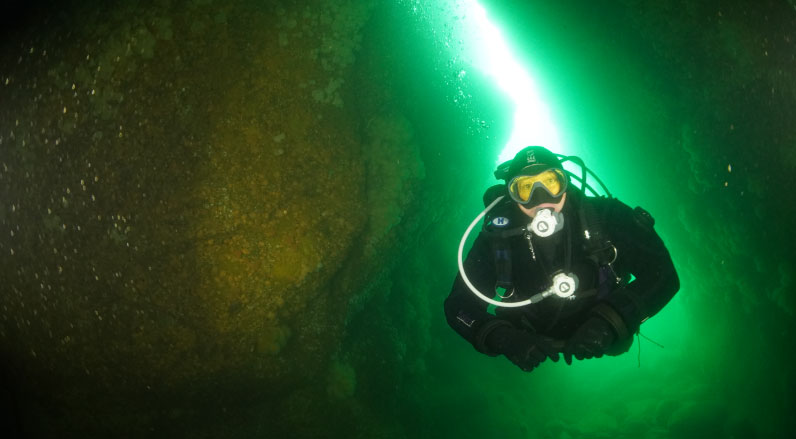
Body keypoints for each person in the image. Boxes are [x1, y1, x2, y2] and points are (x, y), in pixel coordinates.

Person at [444, 146, 679, 371]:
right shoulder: (498, 239)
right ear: (512, 195)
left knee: (619, 345)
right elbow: (458, 307)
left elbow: (664, 275)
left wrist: (612, 320)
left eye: (550, 182)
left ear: (564, 183)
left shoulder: (606, 216)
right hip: (530, 331)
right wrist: (503, 338)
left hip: (605, 325)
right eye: (525, 188)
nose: (540, 197)